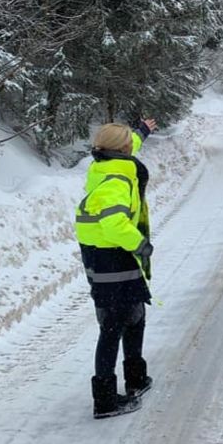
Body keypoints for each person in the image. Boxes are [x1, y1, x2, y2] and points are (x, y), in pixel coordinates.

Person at [75, 118, 157, 418]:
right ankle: (106, 400)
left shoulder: (108, 162)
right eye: (128, 144)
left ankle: (135, 378)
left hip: (111, 255)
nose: (131, 147)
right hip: (111, 255)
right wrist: (140, 244)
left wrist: (142, 131)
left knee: (135, 314)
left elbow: (127, 145)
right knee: (113, 324)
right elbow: (113, 223)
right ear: (120, 149)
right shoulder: (117, 179)